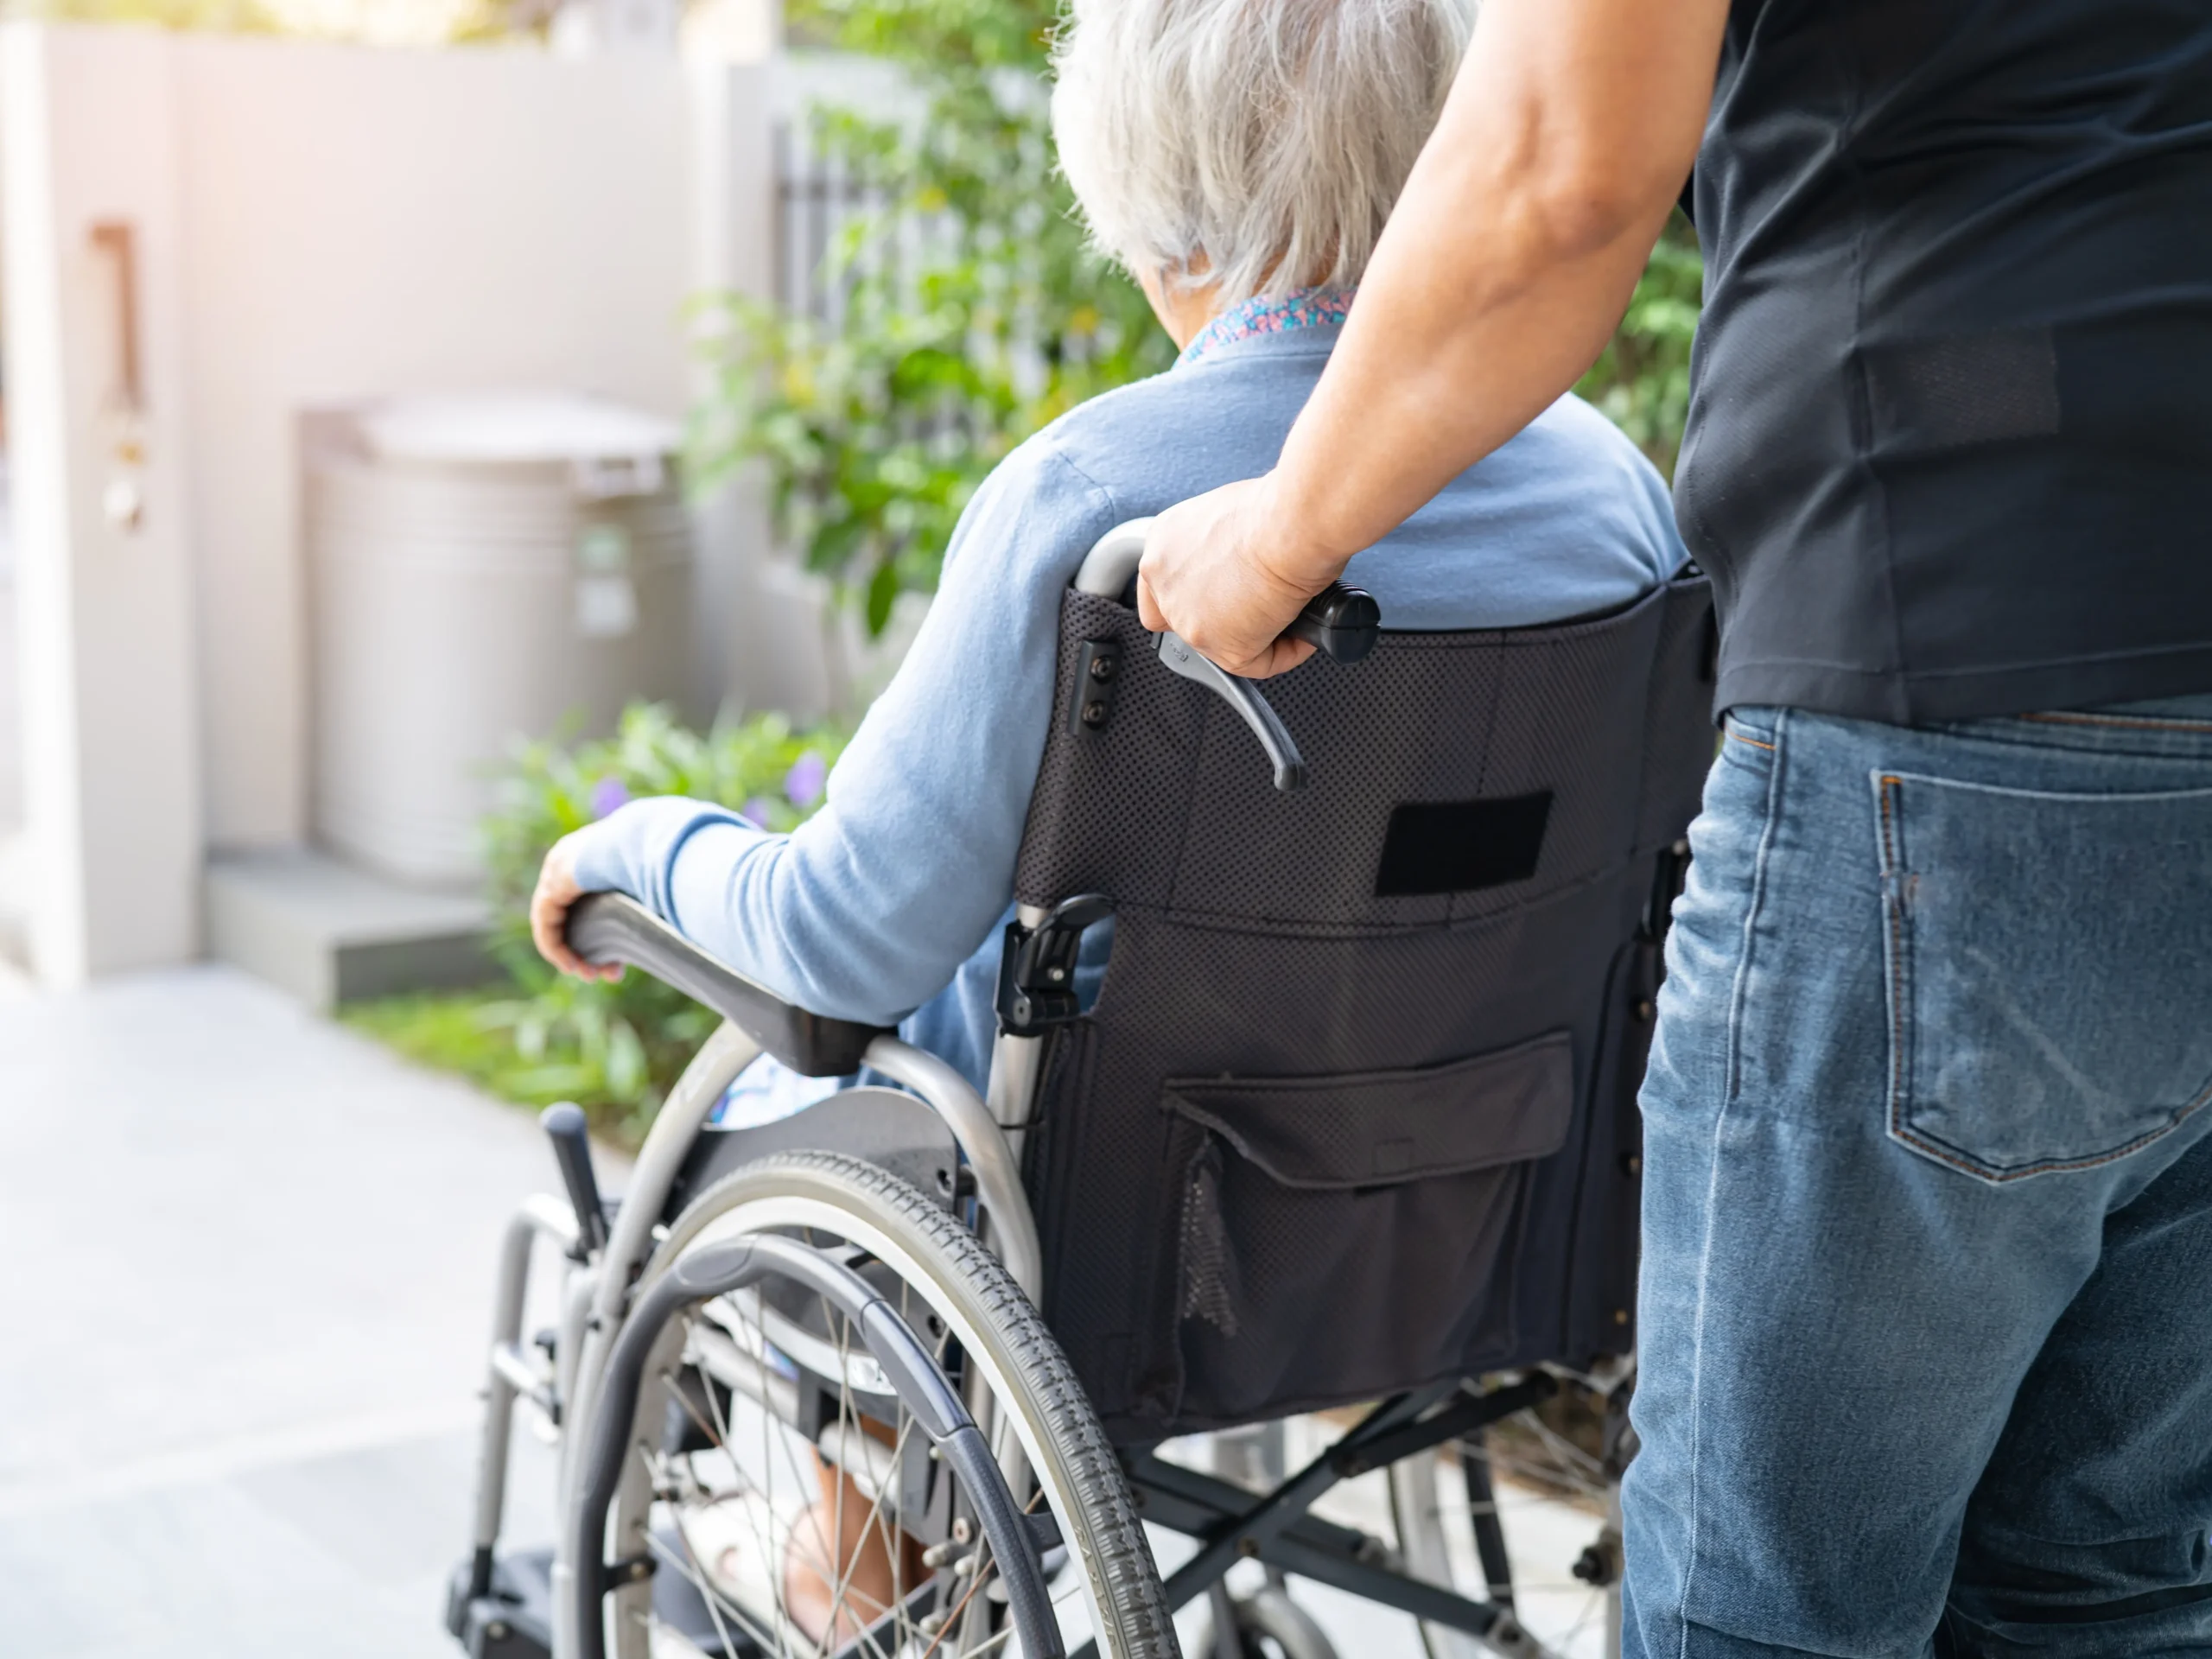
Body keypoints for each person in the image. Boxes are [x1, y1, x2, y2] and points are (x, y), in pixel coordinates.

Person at [530, 0, 1684, 1637]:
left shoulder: (1093, 493)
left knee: (788, 1132)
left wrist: (628, 848)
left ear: (1162, 198)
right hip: (1480, 1208)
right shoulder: (1610, 493)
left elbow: (838, 939)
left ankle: (847, 1564)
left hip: (1103, 1247)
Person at [1134, 0, 2212, 1652]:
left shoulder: (1089, 485)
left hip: (1955, 660)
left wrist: (1277, 547)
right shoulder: (1596, 511)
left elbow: (1558, 164)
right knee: (2110, 1586)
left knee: (1769, 1612)